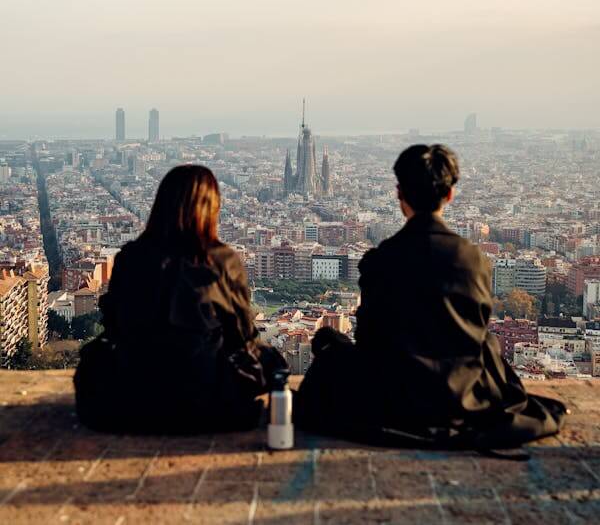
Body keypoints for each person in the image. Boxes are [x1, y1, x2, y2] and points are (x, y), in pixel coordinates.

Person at [295, 144, 567, 449]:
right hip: (461, 392)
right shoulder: (474, 259)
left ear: (400, 195)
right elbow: (478, 330)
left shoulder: (380, 260)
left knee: (329, 346)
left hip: (393, 395)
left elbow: (371, 338)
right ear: (449, 195)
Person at [74, 165, 285, 433]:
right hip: (207, 402)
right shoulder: (222, 260)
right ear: (212, 207)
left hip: (133, 400)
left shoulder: (131, 257)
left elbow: (114, 325)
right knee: (272, 361)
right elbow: (243, 335)